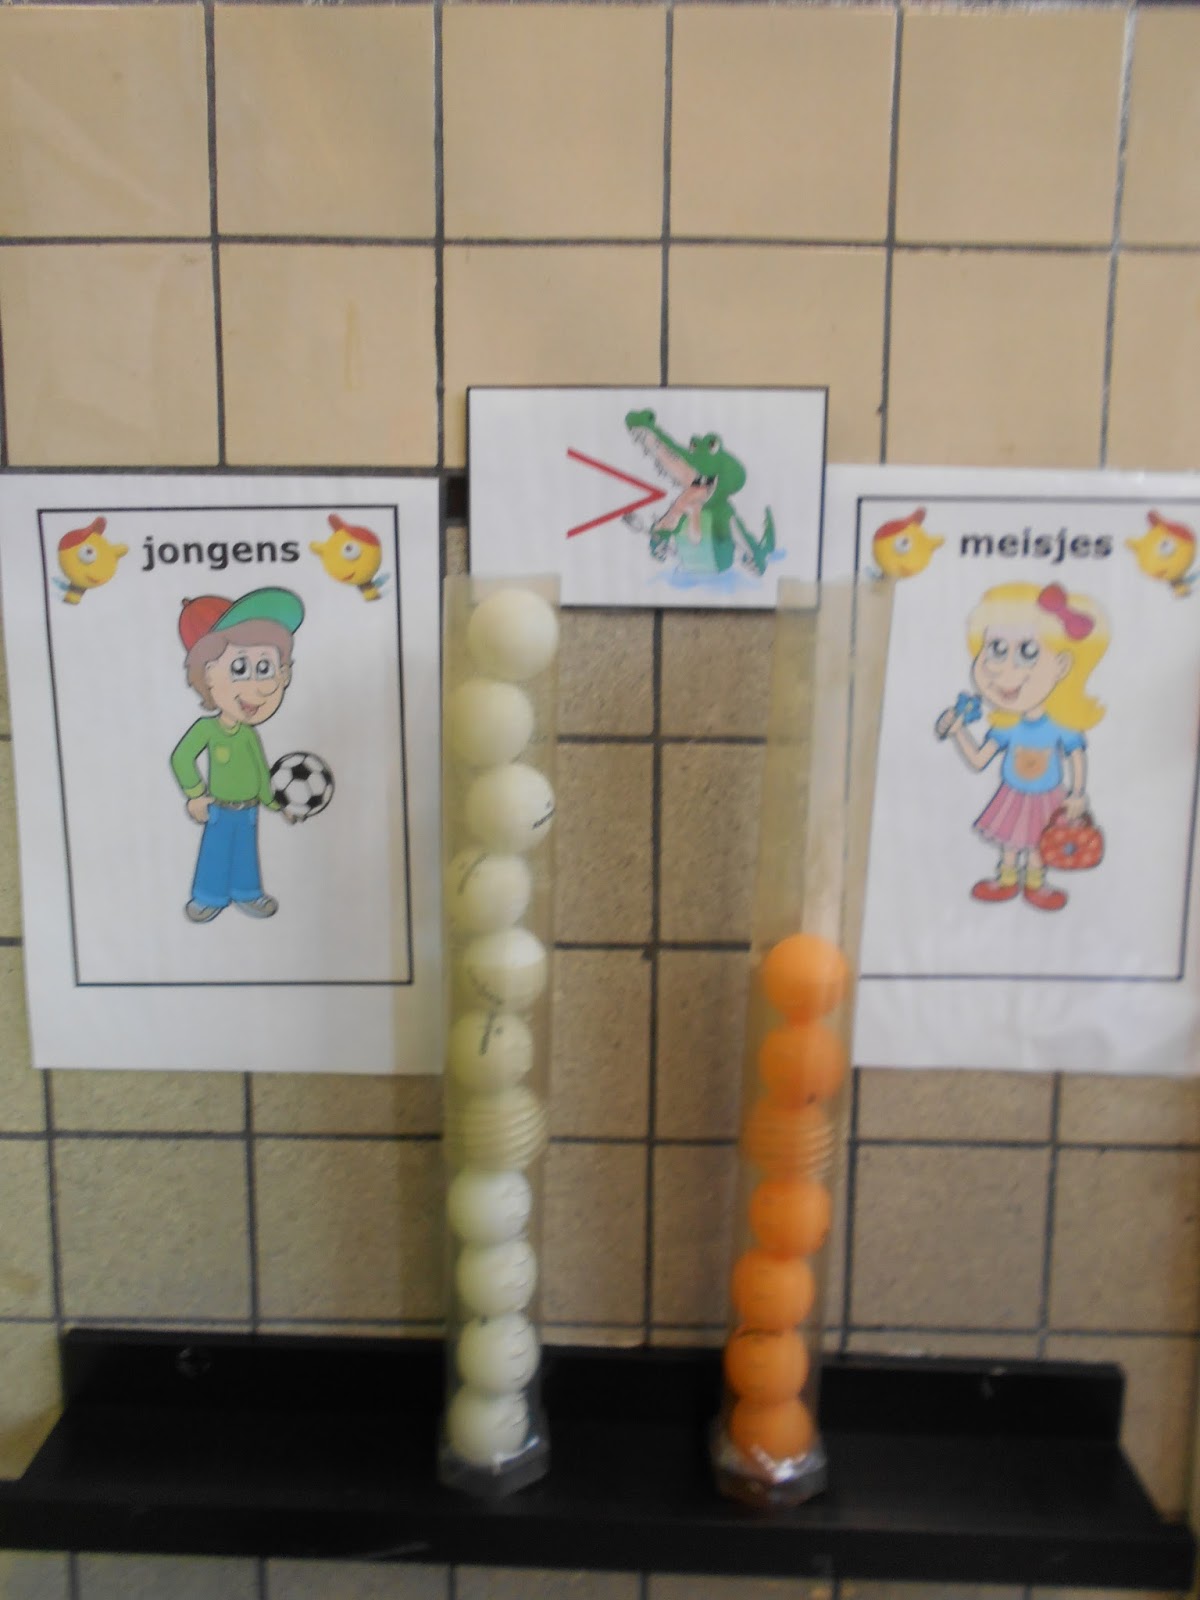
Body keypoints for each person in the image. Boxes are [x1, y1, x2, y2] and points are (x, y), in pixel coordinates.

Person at [935, 581, 1108, 912]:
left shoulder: (1060, 725)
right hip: (1012, 795)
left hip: (1048, 797)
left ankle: (1035, 884)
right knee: (1011, 842)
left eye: (1027, 652)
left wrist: (1077, 793)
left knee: (1040, 842)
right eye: (996, 649)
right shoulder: (1006, 727)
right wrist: (958, 732)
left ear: (1062, 666)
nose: (1003, 669)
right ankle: (1006, 880)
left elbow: (1076, 754)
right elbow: (979, 760)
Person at [170, 588, 304, 922]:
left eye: (267, 668)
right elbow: (181, 758)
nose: (259, 687)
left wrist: (277, 805)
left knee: (246, 854)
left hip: (249, 810)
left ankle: (248, 892)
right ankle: (208, 896)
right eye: (240, 668)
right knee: (215, 854)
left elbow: (261, 773)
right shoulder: (208, 729)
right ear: (208, 675)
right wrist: (195, 794)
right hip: (219, 808)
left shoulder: (248, 734)